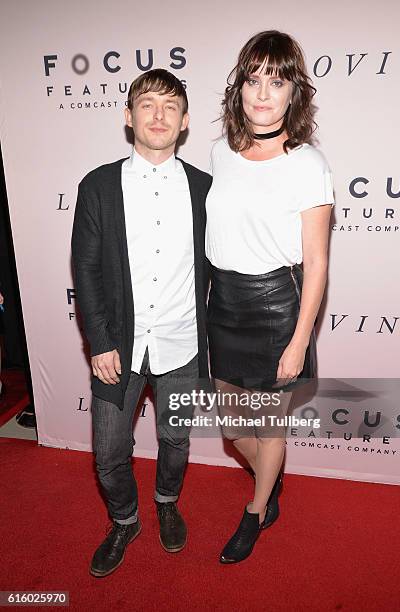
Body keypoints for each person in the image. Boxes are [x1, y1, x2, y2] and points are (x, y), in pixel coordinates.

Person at [71, 69, 212, 577]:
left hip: (184, 343)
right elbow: (84, 269)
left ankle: (167, 501)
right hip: (118, 349)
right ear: (129, 117)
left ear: (185, 121)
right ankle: (125, 520)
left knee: (175, 440)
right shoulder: (98, 186)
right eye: (147, 105)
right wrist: (101, 341)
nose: (158, 115)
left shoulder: (204, 189)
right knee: (109, 453)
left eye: (170, 107)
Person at [205, 30, 335, 563]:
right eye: (253, 80)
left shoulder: (308, 163)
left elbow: (318, 260)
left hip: (277, 307)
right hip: (225, 304)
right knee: (235, 430)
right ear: (239, 89)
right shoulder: (220, 153)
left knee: (269, 423)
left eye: (276, 81)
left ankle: (257, 510)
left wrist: (299, 340)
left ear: (293, 93)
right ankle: (270, 474)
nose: (262, 93)